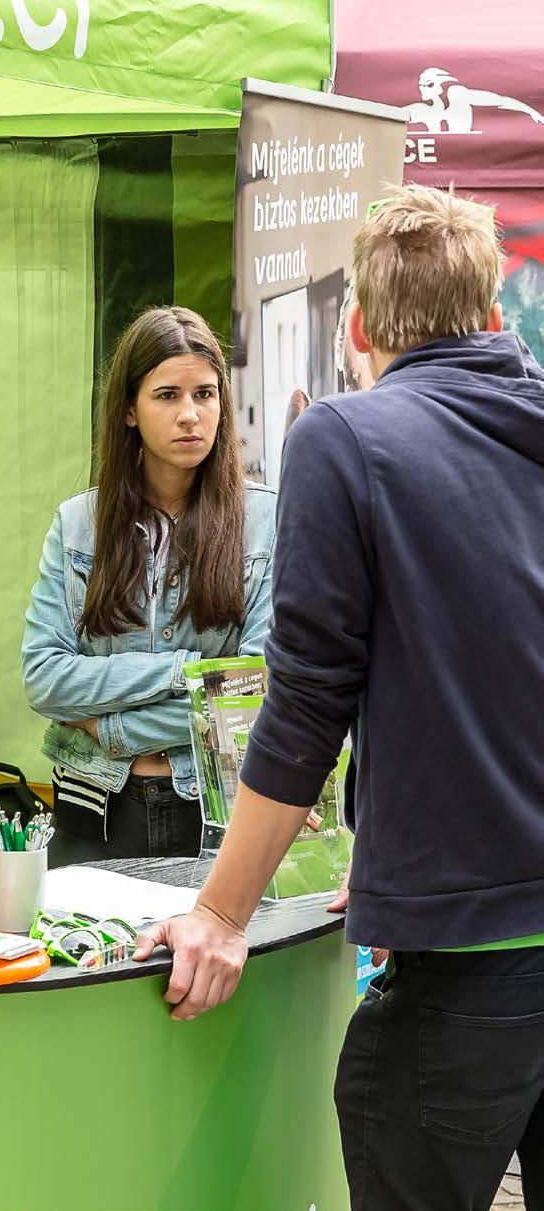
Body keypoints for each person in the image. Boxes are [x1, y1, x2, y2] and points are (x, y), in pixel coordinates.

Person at [135, 186, 544, 1211]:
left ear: (356, 329)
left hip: (473, 968)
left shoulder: (347, 440)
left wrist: (220, 916)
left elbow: (311, 699)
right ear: (495, 318)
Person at [22, 305, 276, 864]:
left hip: (213, 807)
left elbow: (255, 689)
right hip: (93, 805)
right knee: (97, 952)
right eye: (167, 395)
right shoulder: (77, 524)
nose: (190, 414)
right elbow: (44, 677)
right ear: (130, 409)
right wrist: (182, 672)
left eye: (205, 394)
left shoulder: (264, 521)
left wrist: (112, 728)